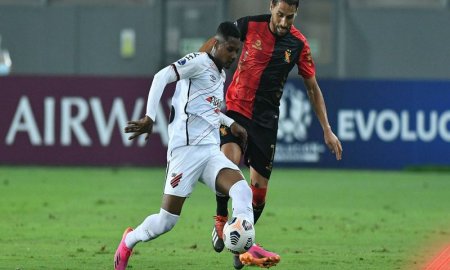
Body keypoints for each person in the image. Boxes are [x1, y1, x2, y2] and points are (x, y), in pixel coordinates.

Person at [200, 0, 343, 269]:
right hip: (235, 110)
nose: (283, 23)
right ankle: (220, 220)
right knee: (228, 165)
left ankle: (241, 239)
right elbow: (215, 43)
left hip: (266, 123)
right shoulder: (248, 25)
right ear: (271, 7)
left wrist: (327, 129)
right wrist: (193, 70)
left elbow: (312, 88)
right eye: (280, 15)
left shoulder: (298, 45)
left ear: (295, 13)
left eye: (290, 17)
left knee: (259, 193)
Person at [113, 22, 254, 270]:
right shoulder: (199, 62)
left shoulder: (219, 74)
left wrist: (231, 123)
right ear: (216, 44)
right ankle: (129, 240)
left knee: (243, 191)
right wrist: (149, 117)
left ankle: (244, 246)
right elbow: (161, 76)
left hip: (210, 153)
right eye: (230, 50)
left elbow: (207, 110)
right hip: (185, 153)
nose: (233, 56)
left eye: (236, 51)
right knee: (165, 222)